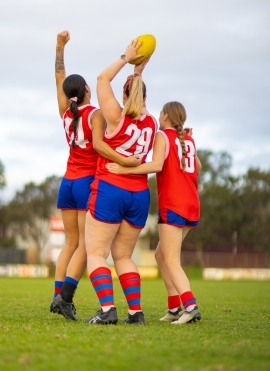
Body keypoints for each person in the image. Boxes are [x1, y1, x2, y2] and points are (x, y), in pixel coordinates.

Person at [50, 31, 142, 321]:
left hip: (67, 182)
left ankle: (57, 296)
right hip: (89, 182)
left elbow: (59, 78)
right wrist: (136, 68)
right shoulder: (96, 115)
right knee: (88, 247)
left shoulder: (66, 112)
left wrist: (59, 48)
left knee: (70, 244)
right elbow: (106, 139)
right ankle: (65, 297)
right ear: (88, 89)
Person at [106, 101, 202, 325]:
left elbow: (156, 165)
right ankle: (174, 306)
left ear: (166, 116)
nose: (157, 116)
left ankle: (190, 306)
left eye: (160, 113)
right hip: (191, 204)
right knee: (161, 256)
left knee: (170, 260)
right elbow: (197, 167)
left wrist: (125, 168)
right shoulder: (188, 139)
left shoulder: (162, 136)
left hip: (174, 203)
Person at [84, 39, 158, 325]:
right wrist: (140, 70)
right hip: (139, 193)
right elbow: (137, 93)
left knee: (97, 254)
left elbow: (102, 78)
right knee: (124, 257)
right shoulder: (152, 122)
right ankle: (135, 313)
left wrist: (125, 58)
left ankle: (107, 310)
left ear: (124, 94)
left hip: (111, 188)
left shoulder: (115, 116)